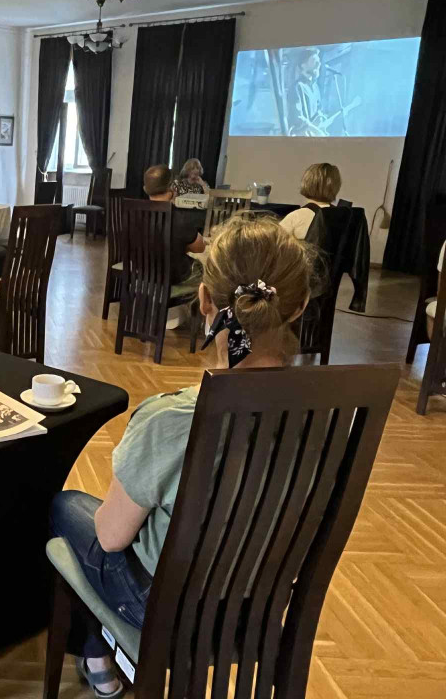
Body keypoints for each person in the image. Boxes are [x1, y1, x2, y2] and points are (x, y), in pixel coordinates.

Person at [49, 214, 313, 698]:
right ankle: (98, 649)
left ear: (205, 300)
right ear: (298, 309)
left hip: (168, 609)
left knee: (68, 507)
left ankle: (96, 654)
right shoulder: (333, 416)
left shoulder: (173, 420)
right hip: (257, 604)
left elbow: (110, 539)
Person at [143, 165, 206, 285]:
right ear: (171, 187)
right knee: (200, 268)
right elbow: (200, 247)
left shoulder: (134, 213)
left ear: (146, 188)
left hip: (141, 272)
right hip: (171, 277)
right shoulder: (178, 216)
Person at [280, 163, 342, 242]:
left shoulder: (296, 217)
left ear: (306, 183)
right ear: (336, 186)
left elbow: (273, 246)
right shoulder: (344, 217)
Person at [290, 48, 327, 137]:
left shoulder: (316, 88)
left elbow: (317, 113)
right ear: (303, 65)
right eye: (314, 60)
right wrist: (318, 132)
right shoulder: (297, 87)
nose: (319, 64)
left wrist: (321, 121)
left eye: (319, 61)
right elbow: (298, 118)